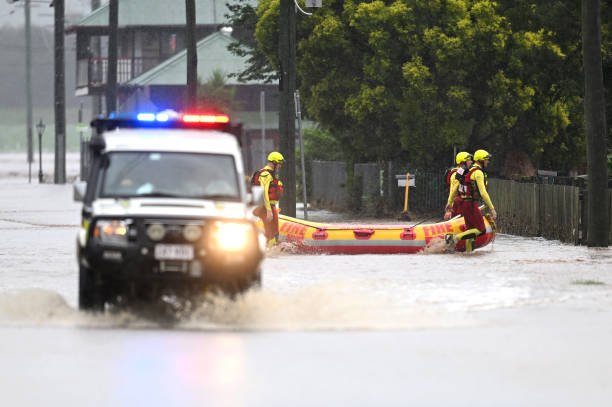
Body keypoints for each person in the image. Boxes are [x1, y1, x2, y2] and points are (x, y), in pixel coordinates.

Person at [446, 149, 497, 252]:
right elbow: (483, 193)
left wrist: (449, 203)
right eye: (486, 160)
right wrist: (492, 209)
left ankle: (468, 253)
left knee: (470, 231)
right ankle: (454, 238)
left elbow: (454, 188)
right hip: (470, 204)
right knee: (480, 230)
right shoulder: (478, 172)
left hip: (464, 203)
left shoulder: (466, 170)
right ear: (481, 160)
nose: (488, 162)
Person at [252, 151, 285, 247]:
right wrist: (269, 210)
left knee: (270, 231)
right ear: (274, 162)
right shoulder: (266, 175)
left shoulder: (267, 174)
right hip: (267, 206)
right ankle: (271, 251)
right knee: (273, 232)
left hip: (267, 206)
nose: (280, 166)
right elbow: (264, 193)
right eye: (279, 164)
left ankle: (267, 248)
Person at [444, 151, 473, 220]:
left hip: (464, 203)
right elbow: (453, 190)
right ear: (463, 162)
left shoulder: (464, 172)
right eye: (469, 160)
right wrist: (449, 207)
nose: (471, 162)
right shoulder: (456, 174)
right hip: (457, 205)